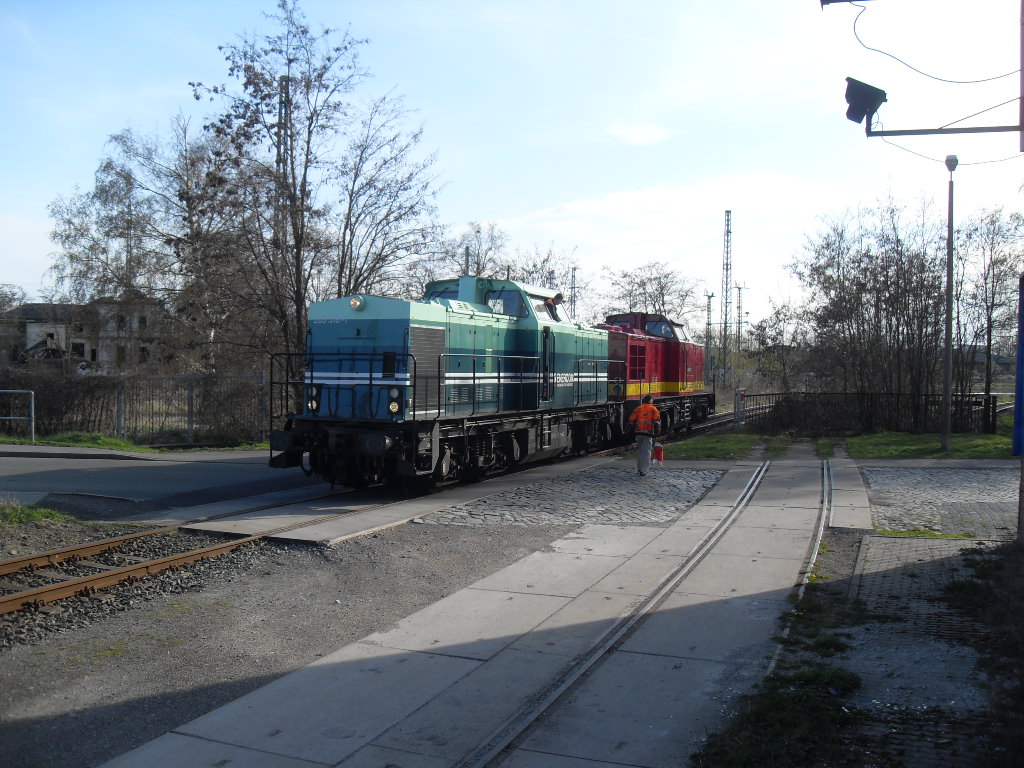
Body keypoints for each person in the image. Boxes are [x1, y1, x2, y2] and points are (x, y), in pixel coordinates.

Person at [629, 394, 661, 476]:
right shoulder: (654, 409)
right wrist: (656, 433)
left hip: (639, 433)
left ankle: (639, 468)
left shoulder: (638, 408)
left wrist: (633, 429)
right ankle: (644, 470)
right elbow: (657, 423)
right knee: (646, 452)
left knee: (640, 451)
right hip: (648, 433)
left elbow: (631, 420)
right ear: (650, 400)